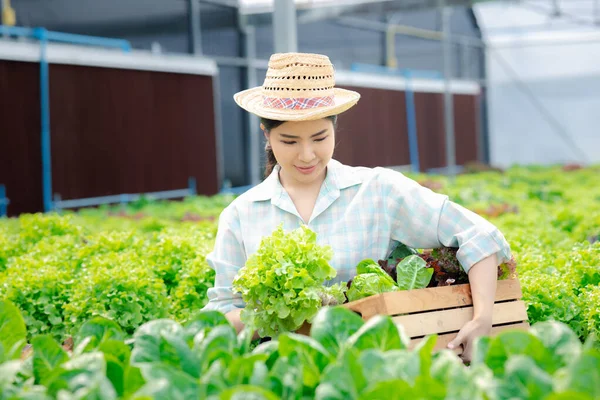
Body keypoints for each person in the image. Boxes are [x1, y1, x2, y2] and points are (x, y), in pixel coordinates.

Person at [202, 52, 511, 362]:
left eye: (320, 137)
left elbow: (479, 236)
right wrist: (283, 310)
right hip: (290, 376)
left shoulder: (378, 190)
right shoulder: (241, 215)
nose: (307, 155)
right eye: (290, 141)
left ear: (335, 127)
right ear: (266, 135)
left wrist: (482, 318)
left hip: (378, 368)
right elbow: (222, 315)